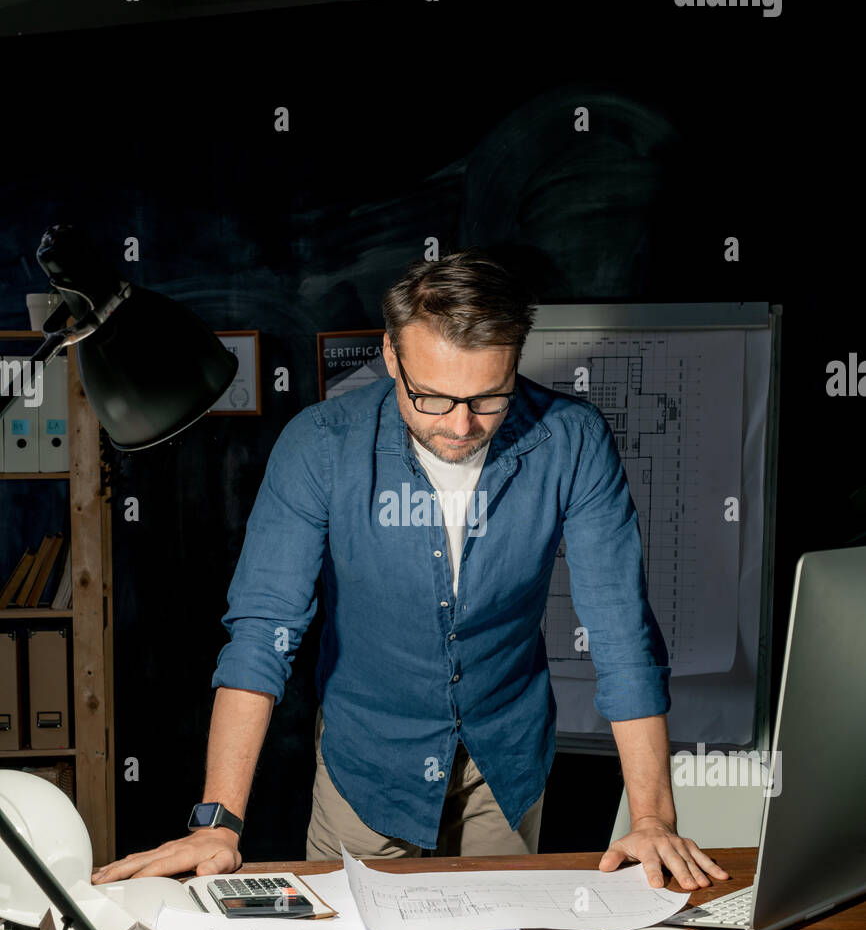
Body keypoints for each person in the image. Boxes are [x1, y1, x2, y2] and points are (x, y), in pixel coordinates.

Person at [92, 248, 729, 892]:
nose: (460, 425)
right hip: (364, 766)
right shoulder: (320, 445)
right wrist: (218, 822)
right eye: (432, 397)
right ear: (392, 356)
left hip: (505, 762)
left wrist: (652, 817)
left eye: (489, 397)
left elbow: (621, 633)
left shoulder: (573, 439)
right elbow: (263, 634)